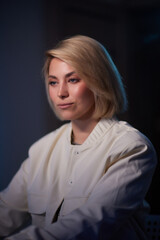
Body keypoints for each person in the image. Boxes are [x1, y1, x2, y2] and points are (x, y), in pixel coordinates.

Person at [0, 35, 157, 240]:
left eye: (73, 79)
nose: (61, 93)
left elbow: (88, 224)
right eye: (53, 82)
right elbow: (6, 210)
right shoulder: (42, 150)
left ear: (99, 81)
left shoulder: (132, 147)